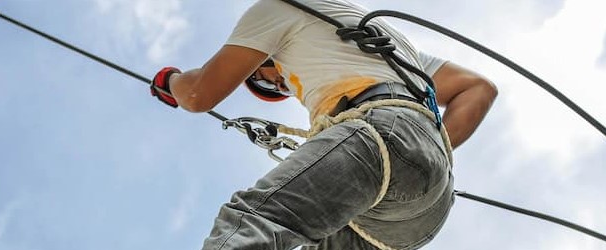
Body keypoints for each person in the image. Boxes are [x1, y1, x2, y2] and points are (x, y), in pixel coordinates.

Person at [149, 0, 497, 249]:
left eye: (266, 79)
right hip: (423, 212)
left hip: (382, 129)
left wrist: (172, 81)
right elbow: (477, 88)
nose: (280, 86)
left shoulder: (276, 9)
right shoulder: (385, 45)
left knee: (253, 220)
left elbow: (198, 95)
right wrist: (418, 152)